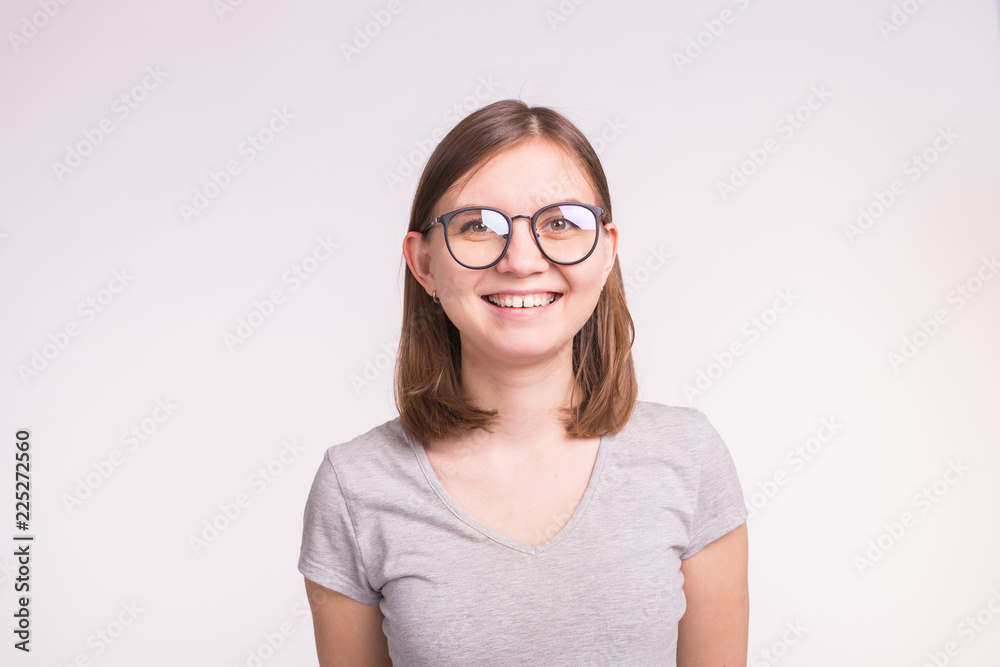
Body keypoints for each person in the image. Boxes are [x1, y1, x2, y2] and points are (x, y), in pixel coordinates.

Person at [298, 99, 749, 666]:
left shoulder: (690, 458)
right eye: (478, 227)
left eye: (560, 223)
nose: (520, 259)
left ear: (607, 250)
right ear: (424, 264)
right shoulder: (355, 487)